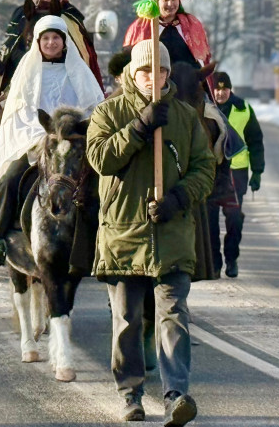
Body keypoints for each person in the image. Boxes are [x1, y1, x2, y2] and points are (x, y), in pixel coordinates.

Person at [86, 40, 214, 425]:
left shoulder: (185, 117)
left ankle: (177, 394)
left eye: (160, 72)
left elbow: (204, 169)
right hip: (124, 234)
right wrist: (140, 127)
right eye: (146, 71)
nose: (153, 79)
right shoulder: (108, 112)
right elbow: (100, 158)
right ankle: (131, 394)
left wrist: (178, 197)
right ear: (132, 73)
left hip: (171, 233)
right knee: (126, 319)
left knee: (173, 315)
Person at [0, 15, 105, 265]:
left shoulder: (79, 72)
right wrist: (42, 136)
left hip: (73, 144)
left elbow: (93, 108)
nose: (51, 43)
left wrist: (75, 134)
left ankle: (104, 238)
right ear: (38, 42)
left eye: (56, 38)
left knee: (101, 181)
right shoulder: (26, 72)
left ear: (64, 41)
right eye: (46, 38)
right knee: (9, 179)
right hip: (34, 141)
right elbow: (19, 113)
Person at [0, 0, 103, 124]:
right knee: (7, 113)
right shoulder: (22, 15)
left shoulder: (71, 16)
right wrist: (30, 62)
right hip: (27, 74)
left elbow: (82, 52)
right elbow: (10, 50)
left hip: (66, 74)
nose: (53, 0)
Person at [211, 71, 264, 279]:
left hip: (236, 175)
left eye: (225, 88)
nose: (220, 92)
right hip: (212, 172)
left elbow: (256, 142)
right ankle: (214, 262)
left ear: (230, 89)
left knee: (234, 218)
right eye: (217, 88)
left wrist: (257, 172)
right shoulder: (205, 107)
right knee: (209, 220)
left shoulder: (243, 109)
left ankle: (231, 259)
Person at [124, 0, 213, 89]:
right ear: (156, 0)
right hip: (154, 88)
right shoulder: (142, 27)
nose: (170, 4)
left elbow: (202, 61)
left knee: (210, 107)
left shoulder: (191, 24)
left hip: (188, 88)